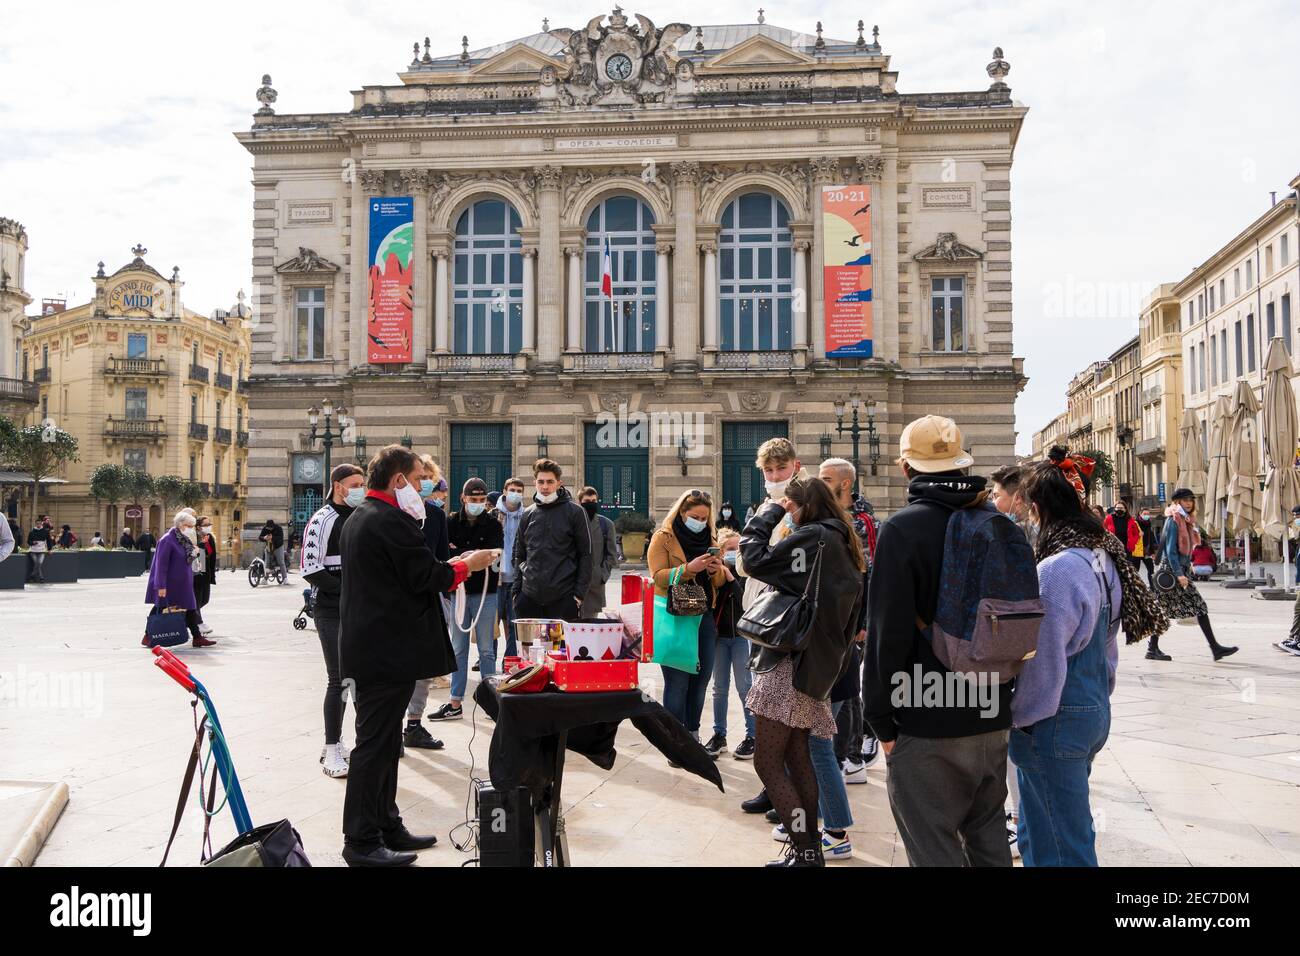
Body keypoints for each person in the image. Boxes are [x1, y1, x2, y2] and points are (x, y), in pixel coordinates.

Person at [863, 415, 1013, 867]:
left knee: (934, 849)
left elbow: (885, 632)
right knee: (989, 842)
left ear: (906, 469)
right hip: (992, 709)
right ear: (962, 464)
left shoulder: (902, 529)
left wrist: (880, 720)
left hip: (925, 716)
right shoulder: (998, 523)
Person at [338, 444, 496, 867]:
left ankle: (387, 824)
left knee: (387, 743)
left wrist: (454, 563)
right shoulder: (390, 520)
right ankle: (360, 841)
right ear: (399, 481)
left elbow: (406, 573)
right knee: (373, 746)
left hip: (379, 648)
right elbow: (427, 576)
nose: (425, 488)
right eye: (419, 478)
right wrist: (469, 565)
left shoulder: (364, 517)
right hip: (383, 651)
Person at [1011, 460, 1163, 866]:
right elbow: (1107, 643)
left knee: (1061, 844)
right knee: (1040, 830)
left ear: (1039, 510)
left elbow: (1043, 657)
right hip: (1091, 707)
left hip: (1054, 718)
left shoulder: (1056, 569)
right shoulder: (1101, 558)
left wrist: (1023, 718)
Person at [740, 474, 864, 867]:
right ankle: (807, 851)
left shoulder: (813, 538)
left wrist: (767, 513)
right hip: (817, 665)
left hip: (787, 662)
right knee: (798, 759)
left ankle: (807, 848)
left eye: (791, 505)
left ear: (803, 505)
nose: (787, 512)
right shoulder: (844, 540)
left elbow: (753, 560)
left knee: (768, 762)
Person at [735, 436, 810, 816]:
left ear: (796, 466)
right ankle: (772, 784)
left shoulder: (805, 505)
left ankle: (787, 792)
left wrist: (753, 555)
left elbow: (763, 560)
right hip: (760, 615)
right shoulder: (765, 506)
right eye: (769, 470)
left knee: (783, 709)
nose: (775, 475)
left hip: (787, 619)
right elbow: (745, 564)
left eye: (781, 468)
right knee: (764, 705)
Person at [647, 489, 728, 740]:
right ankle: (674, 740)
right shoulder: (664, 538)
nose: (700, 522)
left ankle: (692, 736)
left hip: (703, 618)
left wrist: (716, 570)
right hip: (675, 617)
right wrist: (688, 569)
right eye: (695, 517)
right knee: (678, 682)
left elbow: (720, 581)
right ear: (682, 513)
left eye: (705, 518)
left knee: (700, 681)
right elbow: (657, 576)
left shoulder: (711, 540)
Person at [302, 463, 366, 778]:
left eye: (362, 484)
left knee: (357, 678)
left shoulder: (362, 516)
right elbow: (310, 568)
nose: (360, 489)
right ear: (338, 486)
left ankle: (346, 742)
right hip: (330, 610)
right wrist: (347, 591)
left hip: (359, 610)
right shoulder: (321, 520)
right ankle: (331, 748)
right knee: (338, 679)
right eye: (355, 484)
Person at [819, 458, 878, 782]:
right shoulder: (825, 516)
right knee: (839, 689)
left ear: (845, 483)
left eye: (826, 478)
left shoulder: (863, 521)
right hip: (830, 622)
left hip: (852, 623)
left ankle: (851, 756)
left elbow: (868, 575)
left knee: (848, 688)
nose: (821, 483)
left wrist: (862, 622)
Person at [429, 477, 504, 722]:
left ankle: (491, 701)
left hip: (486, 592)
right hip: (458, 591)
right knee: (458, 649)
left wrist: (465, 557)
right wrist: (469, 558)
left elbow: (495, 553)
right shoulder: (450, 521)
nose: (478, 504)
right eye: (474, 500)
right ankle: (455, 702)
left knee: (486, 650)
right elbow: (443, 554)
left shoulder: (493, 523)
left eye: (482, 500)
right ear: (464, 499)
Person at [1147, 488, 1238, 662]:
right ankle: (1215, 648)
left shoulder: (1185, 520)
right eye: (1184, 500)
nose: (1189, 503)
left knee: (1165, 610)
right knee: (1199, 607)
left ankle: (1153, 648)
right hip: (1173, 573)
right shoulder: (1174, 521)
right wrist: (1180, 574)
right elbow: (1170, 551)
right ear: (1177, 502)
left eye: (1190, 500)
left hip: (1176, 571)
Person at [511, 458, 592, 622]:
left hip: (563, 599)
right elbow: (519, 554)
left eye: (550, 481)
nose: (545, 487)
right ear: (535, 483)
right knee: (527, 648)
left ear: (559, 483)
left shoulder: (575, 512)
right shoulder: (528, 514)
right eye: (541, 482)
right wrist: (516, 592)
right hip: (528, 599)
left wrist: (578, 595)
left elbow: (586, 555)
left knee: (560, 648)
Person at [406, 454, 452, 740]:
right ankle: (390, 726)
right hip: (402, 599)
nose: (423, 483)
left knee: (424, 666)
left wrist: (446, 596)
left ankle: (414, 723)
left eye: (427, 479)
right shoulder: (395, 513)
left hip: (431, 597)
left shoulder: (435, 515)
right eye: (418, 478)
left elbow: (443, 558)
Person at [704, 528, 756, 759]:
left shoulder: (746, 574)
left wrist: (732, 578)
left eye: (739, 549)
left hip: (741, 638)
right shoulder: (714, 574)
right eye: (731, 549)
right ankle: (719, 735)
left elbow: (747, 603)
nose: (735, 553)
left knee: (745, 688)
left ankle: (752, 735)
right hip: (719, 637)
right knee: (719, 688)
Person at [143, 511, 215, 648]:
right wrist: (161, 586)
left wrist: (195, 553)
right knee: (160, 608)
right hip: (170, 583)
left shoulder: (183, 539)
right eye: (189, 526)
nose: (191, 529)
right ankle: (147, 635)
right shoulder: (167, 540)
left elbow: (185, 558)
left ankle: (197, 637)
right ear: (181, 525)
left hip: (183, 583)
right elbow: (161, 565)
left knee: (190, 608)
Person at [496, 476, 526, 659]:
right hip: (496, 580)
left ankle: (509, 663)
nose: (515, 494)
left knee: (515, 626)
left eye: (519, 491)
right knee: (492, 626)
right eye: (512, 490)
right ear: (505, 491)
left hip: (517, 579)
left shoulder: (528, 516)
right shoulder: (492, 515)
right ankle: (488, 668)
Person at [578, 486, 619, 618]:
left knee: (590, 627)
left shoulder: (606, 524)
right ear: (580, 502)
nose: (590, 504)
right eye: (587, 501)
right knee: (569, 628)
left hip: (594, 584)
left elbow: (612, 555)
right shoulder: (572, 522)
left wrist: (602, 575)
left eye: (593, 501)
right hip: (571, 582)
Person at [192, 516, 218, 636]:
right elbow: (199, 554)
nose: (208, 526)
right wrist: (203, 544)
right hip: (198, 572)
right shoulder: (195, 537)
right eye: (205, 525)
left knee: (205, 599)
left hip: (207, 571)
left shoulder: (210, 537)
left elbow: (211, 553)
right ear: (198, 527)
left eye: (209, 524)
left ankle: (190, 616)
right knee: (197, 599)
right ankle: (197, 622)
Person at [1102, 500, 1143, 571]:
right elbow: (1103, 531)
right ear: (1115, 509)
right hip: (1113, 549)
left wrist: (1133, 542)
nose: (1119, 510)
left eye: (1121, 508)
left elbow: (1136, 533)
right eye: (1117, 508)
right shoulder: (1109, 518)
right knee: (1114, 570)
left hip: (1127, 549)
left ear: (1125, 509)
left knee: (1126, 570)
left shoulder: (1130, 520)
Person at [259, 518, 287, 583]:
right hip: (268, 547)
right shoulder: (265, 528)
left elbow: (280, 538)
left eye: (270, 528)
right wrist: (264, 538)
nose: (268, 529)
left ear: (273, 526)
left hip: (278, 547)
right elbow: (260, 537)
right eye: (267, 528)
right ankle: (265, 579)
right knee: (267, 563)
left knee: (281, 562)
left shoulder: (278, 528)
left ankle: (285, 578)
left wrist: (272, 537)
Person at [1136, 507, 1158, 585]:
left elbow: (1151, 539)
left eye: (1148, 514)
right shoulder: (1135, 523)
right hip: (1137, 551)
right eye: (1145, 514)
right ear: (1140, 514)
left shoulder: (1148, 524)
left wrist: (1153, 552)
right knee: (1135, 571)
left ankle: (1152, 588)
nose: (1147, 515)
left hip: (1147, 551)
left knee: (1151, 570)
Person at [26, 518, 52, 582]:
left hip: (42, 550)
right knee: (37, 563)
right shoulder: (32, 531)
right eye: (37, 523)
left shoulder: (45, 531)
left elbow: (49, 541)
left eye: (39, 523)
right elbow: (28, 541)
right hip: (33, 550)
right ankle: (41, 578)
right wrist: (32, 542)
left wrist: (49, 549)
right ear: (35, 524)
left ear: (41, 523)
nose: (38, 524)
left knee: (39, 563)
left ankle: (32, 576)